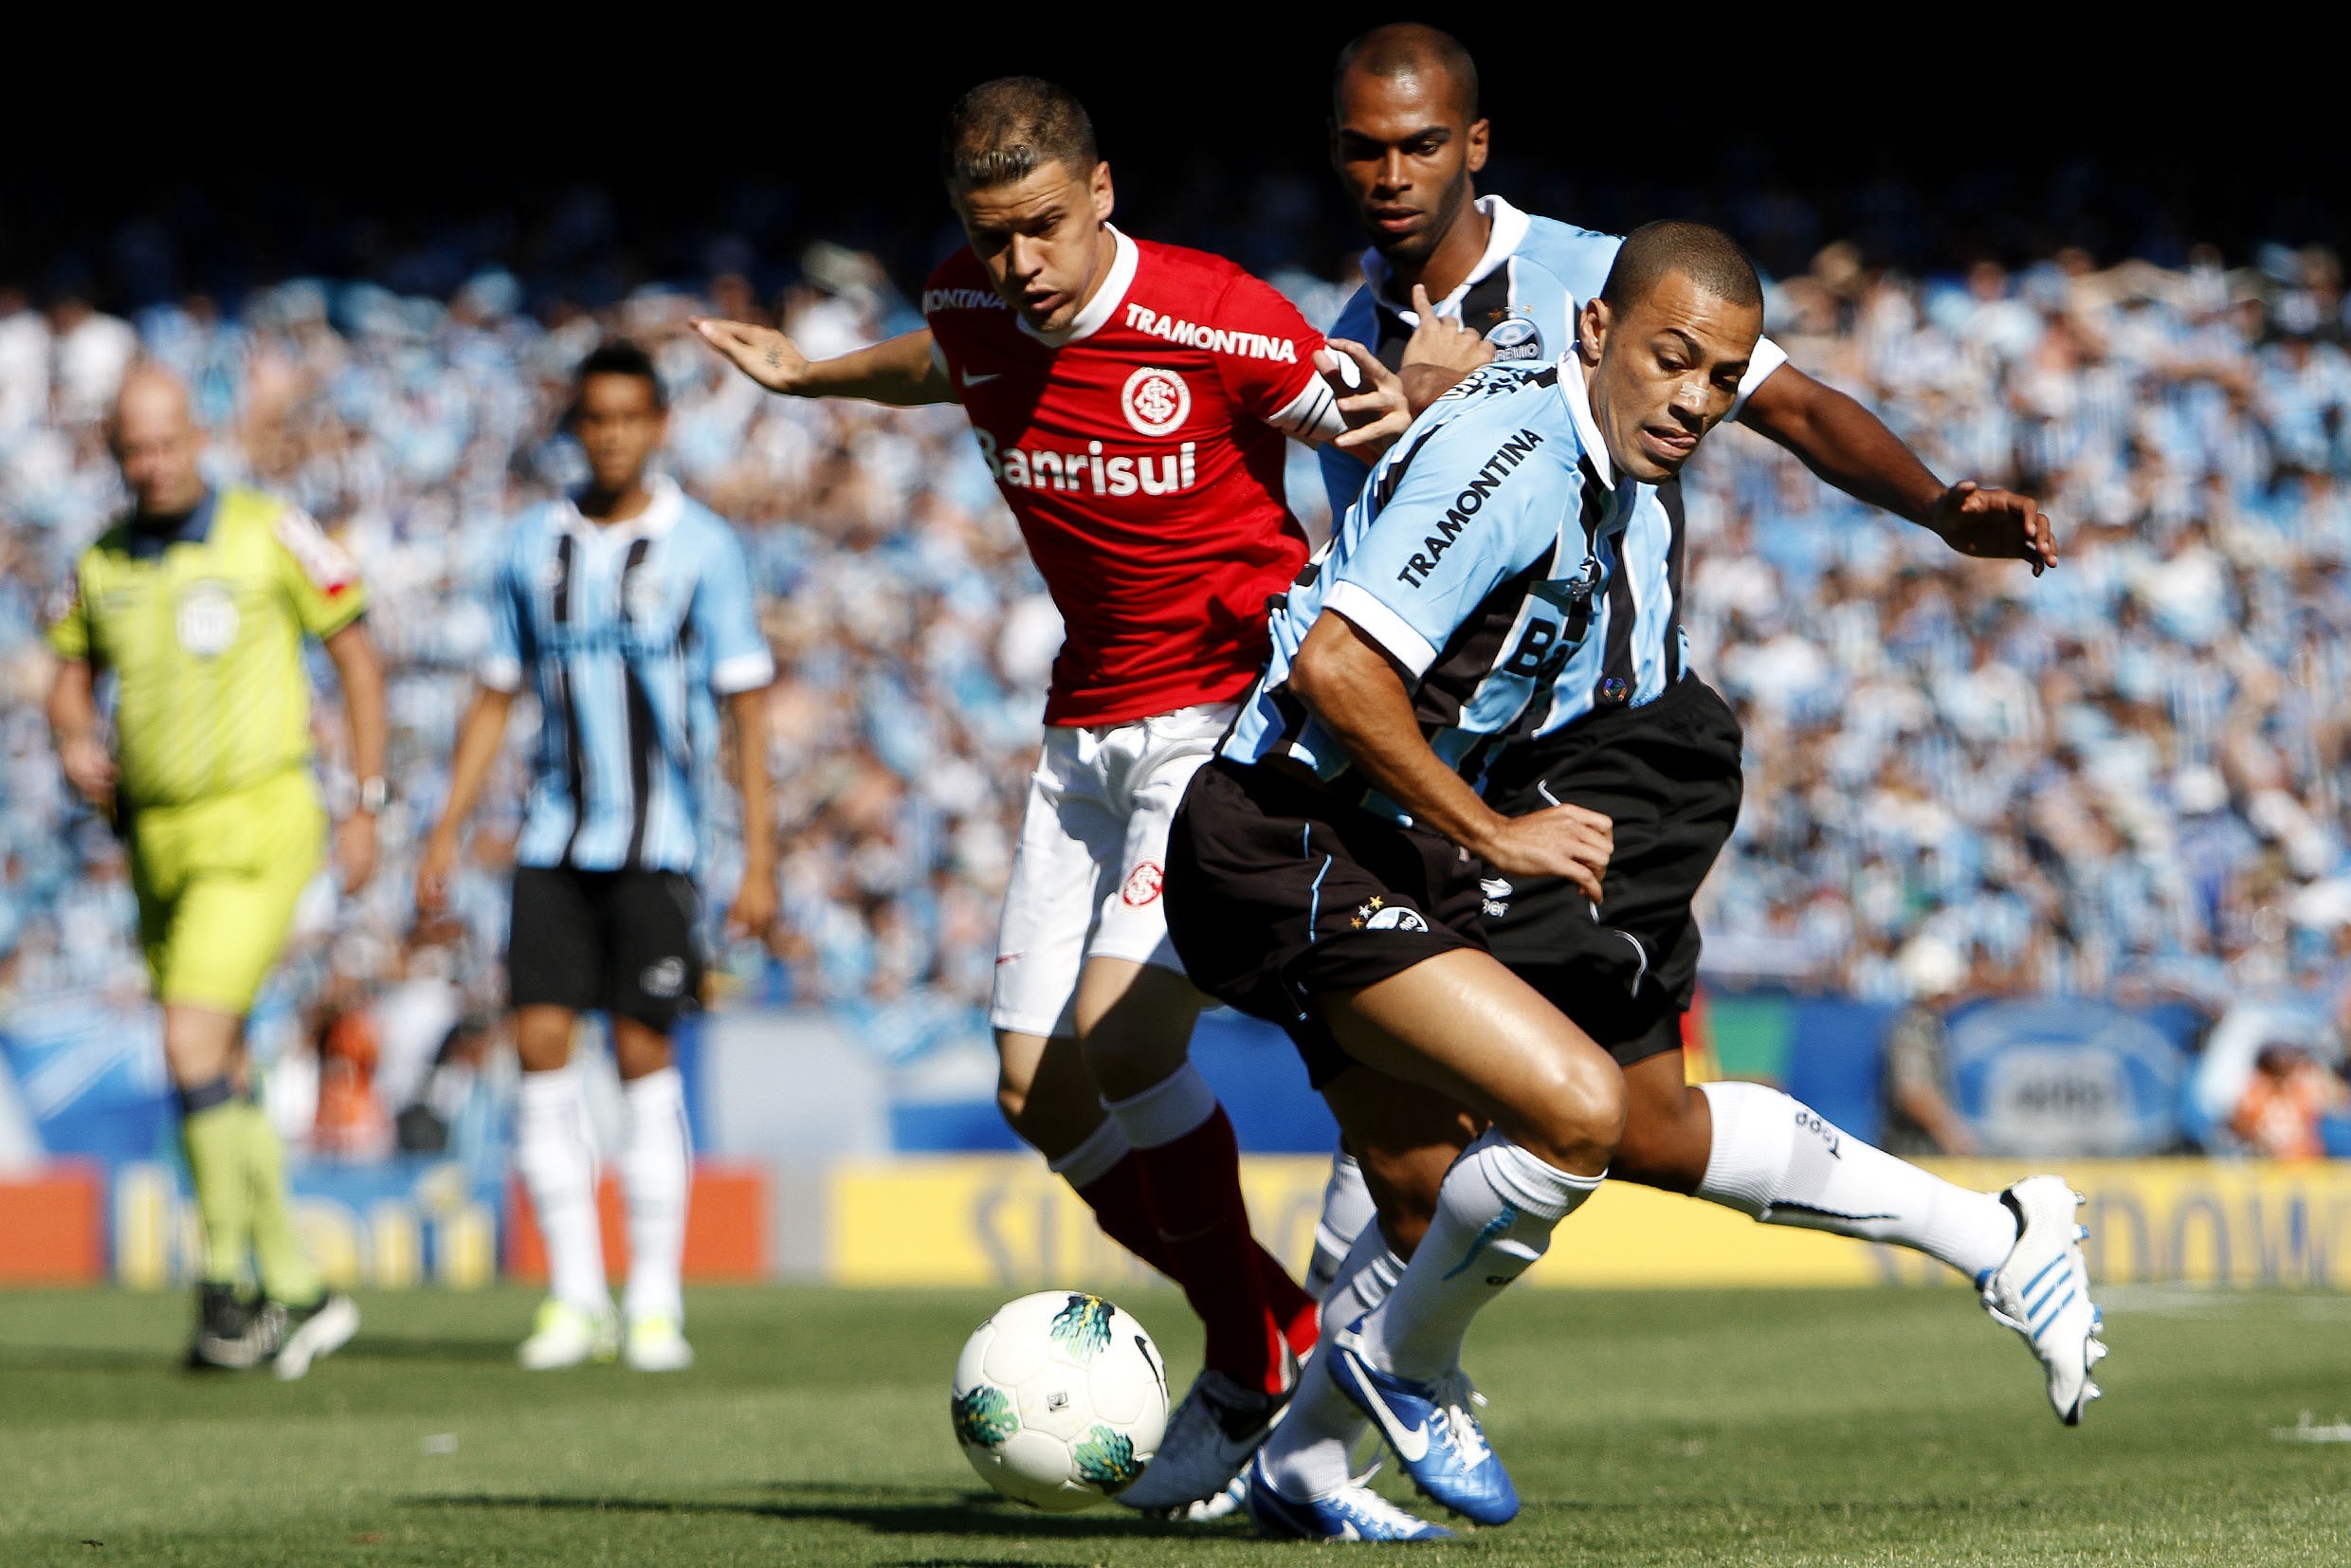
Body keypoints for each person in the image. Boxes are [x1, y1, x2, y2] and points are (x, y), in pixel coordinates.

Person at [1289, 22, 2103, 1458]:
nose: (1393, 173)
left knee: (1453, 1107)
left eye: (1422, 144)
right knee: (1632, 1126)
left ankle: (1318, 1421)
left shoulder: (1597, 278)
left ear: (1477, 145)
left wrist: (1933, 505)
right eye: (1366, 148)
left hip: (1607, 756)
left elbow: (1786, 401)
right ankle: (1999, 1231)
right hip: (1480, 766)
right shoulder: (1344, 342)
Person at [693, 76, 1411, 1507]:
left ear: (1100, 192)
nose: (1017, 264)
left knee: (1118, 1033)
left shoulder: (1220, 313)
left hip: (1216, 722)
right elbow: (942, 357)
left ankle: (1250, 1356)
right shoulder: (974, 302)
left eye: (1038, 229)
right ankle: (1275, 1318)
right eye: (987, 233)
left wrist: (1415, 388)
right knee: (1036, 1085)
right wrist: (811, 375)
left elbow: (1368, 419)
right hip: (1080, 732)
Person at [1165, 222, 1783, 1538]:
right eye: (1674, 359)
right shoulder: (1521, 460)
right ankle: (1398, 1364)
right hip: (1281, 838)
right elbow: (1337, 667)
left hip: (1340, 841)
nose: (1696, 399)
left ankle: (1299, 1478)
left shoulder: (1582, 451)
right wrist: (1496, 835)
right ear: (1600, 331)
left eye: (1724, 378)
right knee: (1577, 1112)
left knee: (1415, 1190)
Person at [415, 340, 777, 1374]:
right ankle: (574, 1296)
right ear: (575, 429)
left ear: (657, 426)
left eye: (629, 417)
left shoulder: (702, 546)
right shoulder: (530, 546)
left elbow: (745, 707)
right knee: (535, 1049)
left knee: (639, 1055)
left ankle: (654, 1297)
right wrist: (445, 827)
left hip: (659, 844)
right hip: (550, 840)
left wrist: (760, 857)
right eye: (594, 418)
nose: (611, 434)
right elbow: (495, 690)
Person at [46, 364, 377, 1378]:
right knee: (220, 1061)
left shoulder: (271, 530)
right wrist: (69, 738)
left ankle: (230, 1282)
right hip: (155, 841)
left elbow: (357, 651)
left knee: (188, 1040)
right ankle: (297, 1290)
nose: (148, 465)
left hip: (258, 823)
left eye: (163, 443)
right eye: (130, 450)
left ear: (197, 436)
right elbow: (70, 675)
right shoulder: (102, 560)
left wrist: (366, 800)